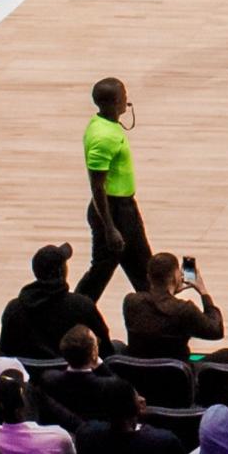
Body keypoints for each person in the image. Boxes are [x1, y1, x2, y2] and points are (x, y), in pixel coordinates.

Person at [80, 76, 151, 300]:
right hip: (115, 211)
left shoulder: (101, 123)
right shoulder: (104, 137)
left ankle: (154, 305)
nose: (126, 100)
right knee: (102, 273)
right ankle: (73, 312)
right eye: (123, 97)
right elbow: (97, 184)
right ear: (112, 102)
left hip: (120, 208)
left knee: (140, 270)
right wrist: (109, 227)